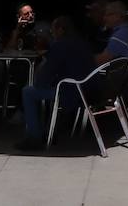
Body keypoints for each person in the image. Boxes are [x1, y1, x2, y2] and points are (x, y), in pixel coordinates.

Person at [17, 17, 96, 149]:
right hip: (87, 88)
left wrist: (43, 69)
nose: (52, 33)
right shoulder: (82, 43)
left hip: (71, 91)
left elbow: (44, 77)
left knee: (29, 92)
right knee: (45, 90)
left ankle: (34, 136)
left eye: (53, 30)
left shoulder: (60, 45)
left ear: (60, 30)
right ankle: (47, 130)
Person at [95, 0, 128, 65]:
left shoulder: (120, 35)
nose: (104, 18)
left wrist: (83, 57)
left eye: (108, 14)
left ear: (119, 16)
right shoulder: (127, 31)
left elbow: (102, 60)